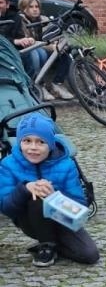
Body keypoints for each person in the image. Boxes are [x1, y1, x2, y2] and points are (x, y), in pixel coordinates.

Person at [0, 113, 100, 268]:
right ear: (20, 142)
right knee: (36, 195)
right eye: (27, 141)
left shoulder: (66, 165)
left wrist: (54, 196)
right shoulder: (8, 164)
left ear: (51, 144)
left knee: (90, 254)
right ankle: (46, 246)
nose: (33, 147)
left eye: (41, 142)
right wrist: (25, 188)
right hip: (30, 219)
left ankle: (55, 244)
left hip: (61, 218)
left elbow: (80, 204)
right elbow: (6, 207)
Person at [15, 0, 71, 99]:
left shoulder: (44, 19)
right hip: (28, 49)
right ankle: (38, 85)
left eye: (37, 6)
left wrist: (59, 43)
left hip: (45, 46)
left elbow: (53, 35)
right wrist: (52, 47)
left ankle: (57, 83)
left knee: (66, 51)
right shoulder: (20, 21)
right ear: (23, 8)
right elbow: (30, 42)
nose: (35, 9)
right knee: (39, 54)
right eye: (31, 7)